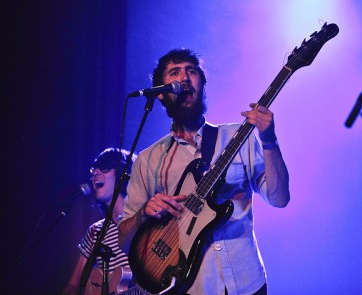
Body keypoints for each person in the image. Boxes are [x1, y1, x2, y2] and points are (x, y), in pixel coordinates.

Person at [118, 48, 290, 295]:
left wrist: (270, 140)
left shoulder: (237, 137)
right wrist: (144, 214)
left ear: (202, 84)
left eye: (192, 71)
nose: (185, 78)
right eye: (174, 72)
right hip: (191, 288)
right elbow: (124, 241)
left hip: (247, 282)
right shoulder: (148, 160)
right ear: (161, 95)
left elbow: (280, 199)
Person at [63, 148, 137, 295]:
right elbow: (73, 285)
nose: (95, 173)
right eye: (93, 170)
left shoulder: (143, 221)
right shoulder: (95, 231)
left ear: (123, 174)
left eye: (104, 168)